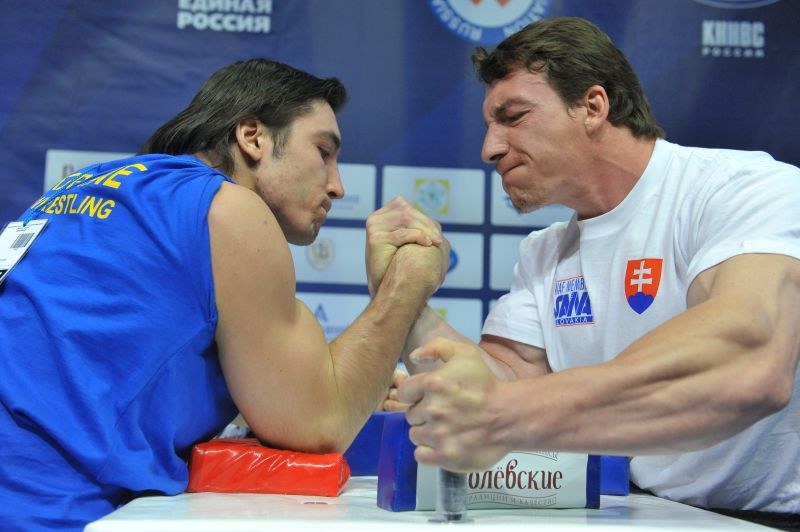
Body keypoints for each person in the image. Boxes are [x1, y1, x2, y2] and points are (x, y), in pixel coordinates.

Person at [372, 16, 800, 527]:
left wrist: (503, 414)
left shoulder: (744, 190)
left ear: (593, 106)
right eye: (489, 126)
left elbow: (750, 355)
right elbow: (501, 383)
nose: (489, 149)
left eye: (513, 116)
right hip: (645, 510)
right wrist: (401, 294)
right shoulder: (543, 252)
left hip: (771, 518)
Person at [0, 58, 449, 531]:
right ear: (253, 137)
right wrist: (406, 281)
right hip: (43, 513)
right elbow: (318, 425)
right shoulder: (228, 208)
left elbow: (92, 369)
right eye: (323, 152)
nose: (336, 186)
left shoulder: (80, 188)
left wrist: (356, 382)